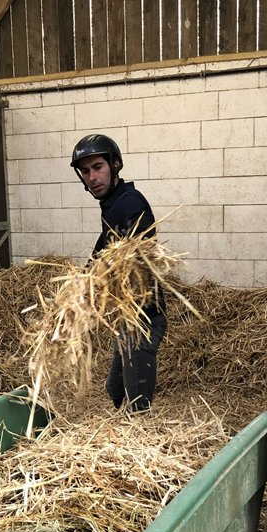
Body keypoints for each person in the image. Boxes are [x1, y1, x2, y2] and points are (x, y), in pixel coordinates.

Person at [70, 133, 167, 412]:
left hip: (144, 318)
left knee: (137, 403)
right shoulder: (111, 205)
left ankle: (138, 428)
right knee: (114, 388)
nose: (92, 177)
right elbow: (102, 250)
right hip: (128, 318)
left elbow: (140, 249)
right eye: (85, 171)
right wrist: (81, 286)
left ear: (115, 165)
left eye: (97, 167)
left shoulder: (129, 202)